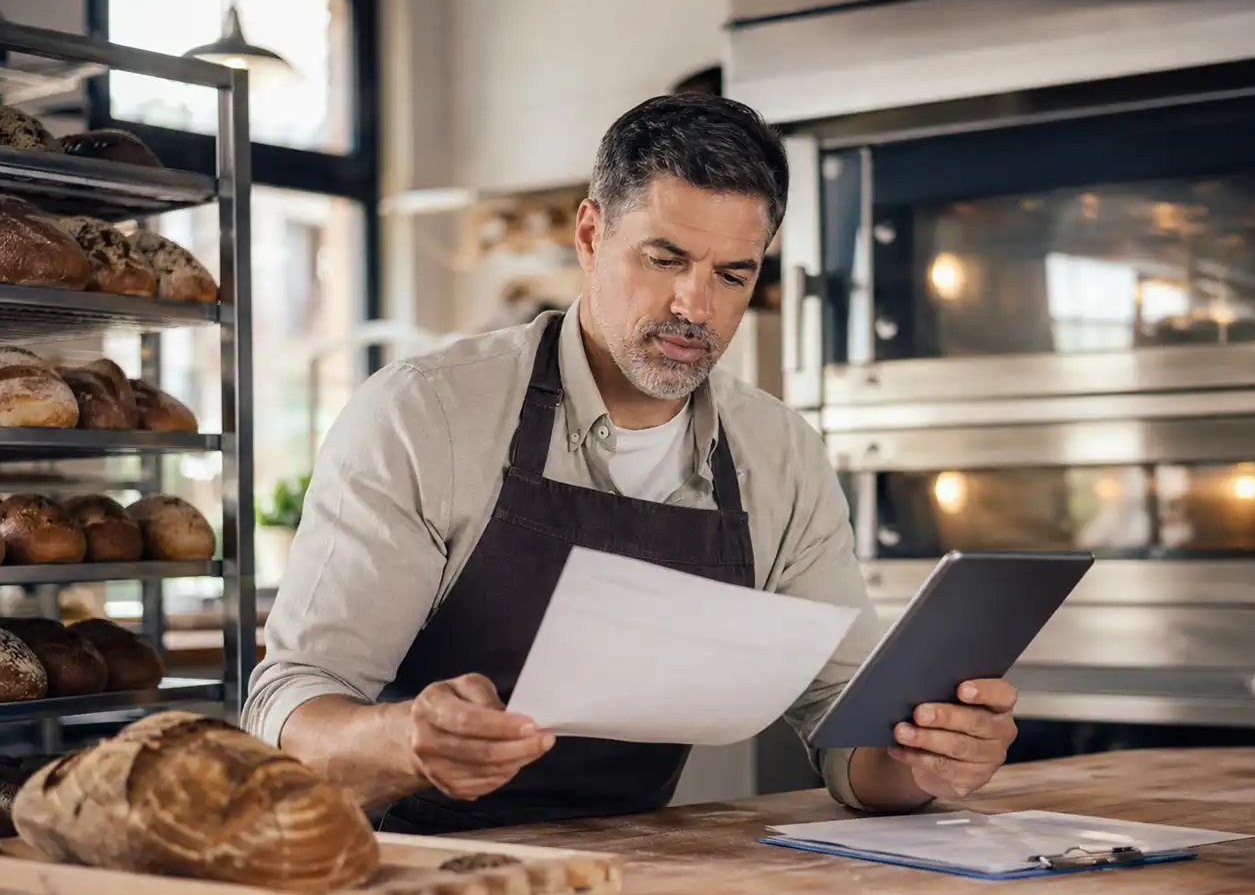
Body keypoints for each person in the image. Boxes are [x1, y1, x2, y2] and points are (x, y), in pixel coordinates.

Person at [241, 93, 1021, 835]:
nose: (695, 306)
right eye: (665, 258)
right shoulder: (426, 415)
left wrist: (927, 760)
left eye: (732, 275)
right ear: (589, 236)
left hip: (642, 875)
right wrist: (405, 739)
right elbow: (288, 704)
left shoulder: (780, 454)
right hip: (408, 867)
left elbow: (846, 727)